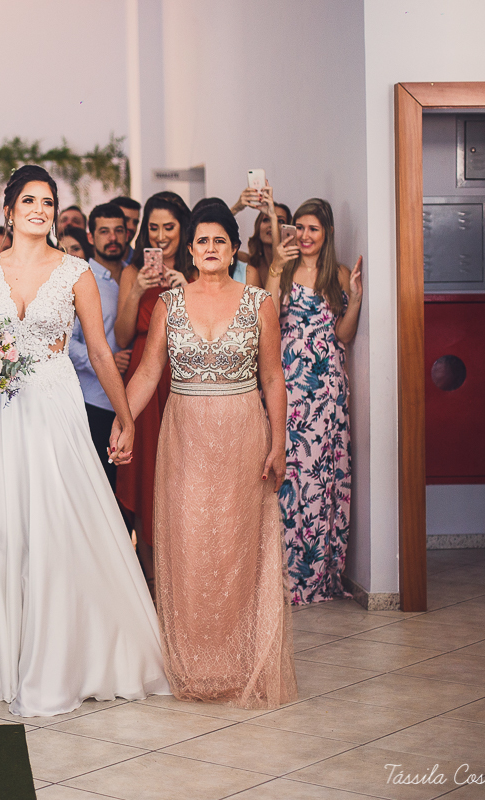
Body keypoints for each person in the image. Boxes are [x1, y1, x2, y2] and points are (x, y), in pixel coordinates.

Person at [0, 166, 170, 718]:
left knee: (59, 522)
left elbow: (99, 351)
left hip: (55, 404)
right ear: (8, 210)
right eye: (29, 199)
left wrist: (126, 418)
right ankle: (7, 656)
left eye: (47, 201)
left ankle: (66, 657)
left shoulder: (76, 272)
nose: (40, 209)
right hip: (1, 413)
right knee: (4, 527)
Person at [125, 201, 297, 709]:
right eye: (202, 241)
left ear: (233, 247)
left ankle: (243, 660)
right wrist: (124, 418)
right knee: (190, 543)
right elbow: (149, 374)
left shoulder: (258, 301)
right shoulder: (168, 304)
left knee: (239, 545)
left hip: (244, 432)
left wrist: (280, 441)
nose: (210, 248)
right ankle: (194, 664)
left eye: (219, 240)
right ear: (192, 250)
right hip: (185, 437)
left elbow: (272, 377)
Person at [264, 198, 362, 605]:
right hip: (288, 385)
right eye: (299, 228)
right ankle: (281, 578)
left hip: (326, 391)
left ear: (328, 234)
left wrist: (354, 297)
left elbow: (344, 335)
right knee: (288, 478)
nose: (304, 236)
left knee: (321, 479)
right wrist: (273, 267)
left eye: (313, 229)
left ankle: (318, 576)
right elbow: (265, 316)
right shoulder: (283, 270)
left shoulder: (336, 274)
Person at [114, 192, 190, 579]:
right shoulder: (131, 272)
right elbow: (123, 336)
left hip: (183, 380)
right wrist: (139, 290)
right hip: (144, 376)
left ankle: (185, 577)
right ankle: (152, 582)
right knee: (146, 479)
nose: (161, 236)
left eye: (169, 227)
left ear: (183, 229)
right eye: (154, 227)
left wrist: (185, 291)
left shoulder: (195, 273)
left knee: (184, 476)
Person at [68, 204, 129, 491]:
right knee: (100, 488)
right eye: (104, 231)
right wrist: (103, 361)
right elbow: (65, 340)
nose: (112, 237)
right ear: (91, 237)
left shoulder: (137, 274)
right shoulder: (79, 277)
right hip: (95, 399)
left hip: (136, 397)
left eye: (119, 230)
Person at [241, 199, 291, 288]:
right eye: (266, 219)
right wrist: (237, 207)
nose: (272, 224)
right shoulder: (250, 262)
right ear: (258, 226)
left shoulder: (294, 266)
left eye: (280, 221)